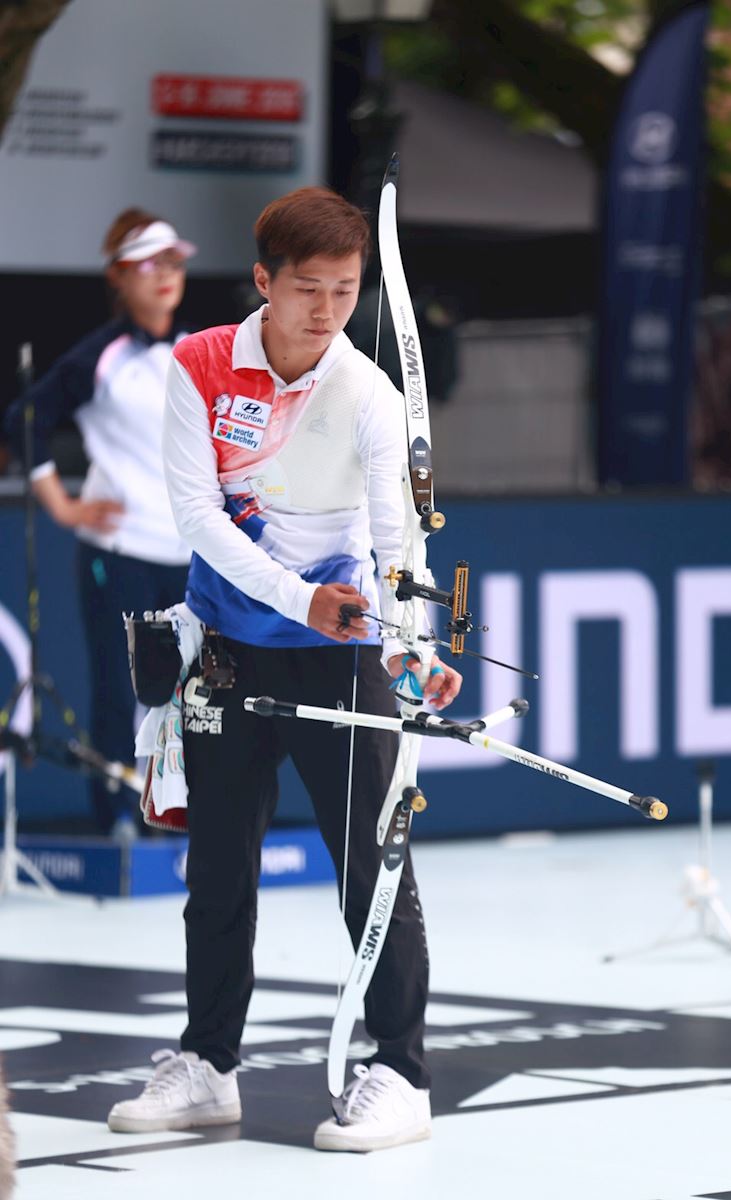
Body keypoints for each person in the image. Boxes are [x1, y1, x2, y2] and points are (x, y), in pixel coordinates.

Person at [106, 186, 462, 1152]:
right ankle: (208, 1064)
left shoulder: (372, 397)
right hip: (224, 647)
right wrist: (293, 595)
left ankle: (401, 1071)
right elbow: (197, 518)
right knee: (219, 867)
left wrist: (408, 644)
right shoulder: (202, 363)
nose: (327, 311)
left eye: (347, 291)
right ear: (263, 281)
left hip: (337, 660)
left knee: (371, 868)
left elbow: (395, 539)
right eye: (308, 288)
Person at [4, 209, 196, 840]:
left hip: (193, 551)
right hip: (119, 549)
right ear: (118, 277)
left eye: (174, 261)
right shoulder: (102, 356)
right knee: (122, 686)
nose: (167, 276)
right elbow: (27, 418)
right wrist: (61, 503)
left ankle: (187, 811)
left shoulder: (205, 349)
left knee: (195, 690)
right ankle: (117, 814)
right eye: (150, 264)